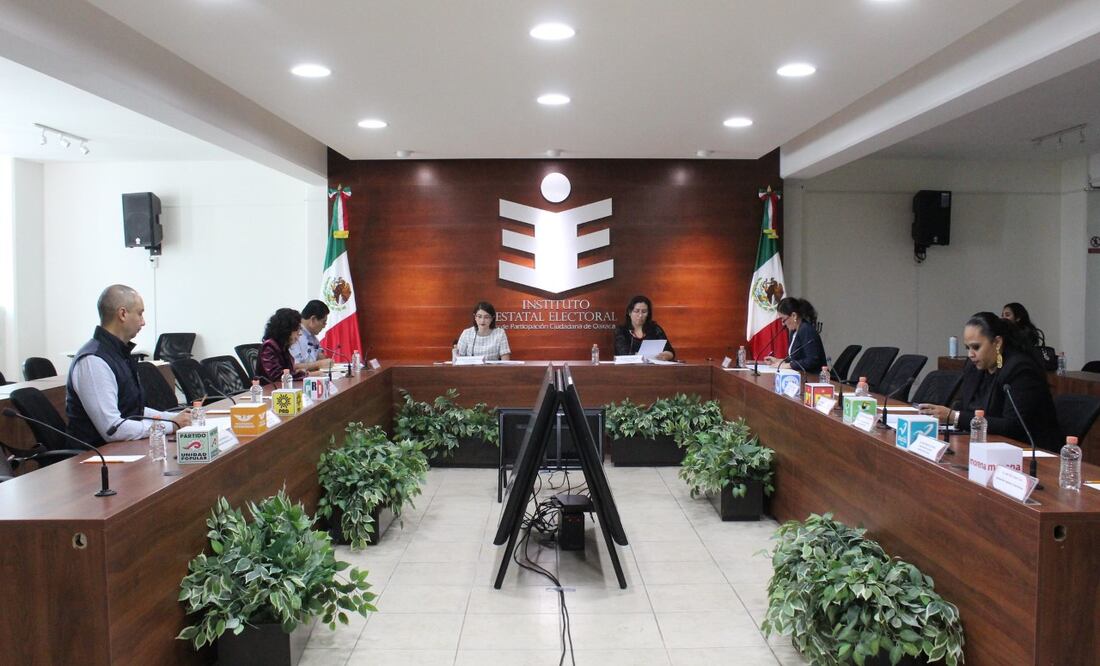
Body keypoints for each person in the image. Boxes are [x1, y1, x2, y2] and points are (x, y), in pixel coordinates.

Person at [66, 284, 190, 445]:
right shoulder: (93, 360)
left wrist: (175, 418)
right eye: (140, 313)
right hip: (95, 458)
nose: (143, 322)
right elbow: (113, 428)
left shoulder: (118, 354)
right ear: (123, 314)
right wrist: (171, 425)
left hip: (123, 450)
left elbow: (133, 410)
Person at [918, 311, 1061, 451]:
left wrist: (954, 417)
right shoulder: (974, 367)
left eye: (976, 347)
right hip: (987, 445)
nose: (970, 354)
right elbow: (964, 406)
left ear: (997, 342)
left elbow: (1013, 426)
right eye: (967, 348)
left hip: (1027, 452)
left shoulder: (1020, 370)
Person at [766, 297, 827, 372]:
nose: (782, 324)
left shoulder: (806, 329)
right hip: (800, 375)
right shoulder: (794, 331)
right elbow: (796, 358)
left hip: (814, 377)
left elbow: (812, 361)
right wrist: (780, 361)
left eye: (783, 319)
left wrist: (787, 365)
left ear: (794, 316)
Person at [613, 295, 675, 360]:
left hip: (652, 368)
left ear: (648, 314)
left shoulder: (655, 329)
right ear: (629, 312)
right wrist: (643, 356)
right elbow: (623, 353)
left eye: (644, 312)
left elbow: (670, 351)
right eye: (637, 311)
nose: (640, 315)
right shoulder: (621, 330)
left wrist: (667, 355)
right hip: (628, 368)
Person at [258, 308, 310, 383]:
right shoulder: (269, 346)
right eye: (297, 329)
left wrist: (301, 373)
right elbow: (278, 377)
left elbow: (289, 372)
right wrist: (307, 375)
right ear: (286, 329)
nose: (300, 333)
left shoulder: (282, 346)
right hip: (270, 391)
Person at [289, 299, 331, 371]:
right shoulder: (293, 335)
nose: (324, 326)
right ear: (313, 319)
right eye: (323, 322)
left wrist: (323, 359)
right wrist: (318, 364)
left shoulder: (312, 336)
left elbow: (320, 357)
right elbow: (293, 367)